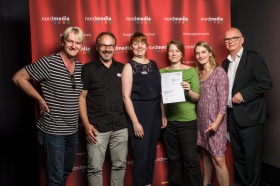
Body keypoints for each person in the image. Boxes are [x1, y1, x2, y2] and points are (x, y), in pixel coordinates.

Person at [12, 26, 85, 186]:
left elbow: (80, 97)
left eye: (77, 42)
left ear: (81, 46)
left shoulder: (80, 68)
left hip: (72, 132)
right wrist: (39, 98)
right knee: (55, 179)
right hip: (53, 132)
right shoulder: (49, 62)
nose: (74, 45)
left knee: (65, 172)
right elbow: (18, 78)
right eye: (70, 41)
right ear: (63, 41)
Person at [222, 27, 273, 186]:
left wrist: (244, 95)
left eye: (234, 38)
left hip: (251, 117)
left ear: (242, 40)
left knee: (252, 156)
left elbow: (266, 83)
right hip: (232, 116)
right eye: (227, 39)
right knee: (238, 156)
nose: (230, 41)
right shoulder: (225, 62)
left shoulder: (254, 58)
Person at [79, 32, 128, 186]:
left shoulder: (123, 68)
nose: (107, 49)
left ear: (115, 47)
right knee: (94, 169)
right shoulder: (87, 69)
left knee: (119, 166)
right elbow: (81, 98)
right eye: (103, 45)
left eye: (110, 45)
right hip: (97, 128)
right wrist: (86, 125)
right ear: (97, 47)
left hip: (120, 126)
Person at [121, 32, 167, 186]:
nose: (139, 46)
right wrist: (135, 122)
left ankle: (148, 183)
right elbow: (126, 97)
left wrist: (163, 114)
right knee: (141, 155)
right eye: (135, 43)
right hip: (139, 113)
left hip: (155, 112)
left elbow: (160, 92)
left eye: (142, 43)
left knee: (151, 153)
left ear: (147, 46)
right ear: (131, 47)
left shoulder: (153, 64)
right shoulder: (129, 66)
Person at [160, 40, 203, 186]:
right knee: (174, 160)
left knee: (190, 159)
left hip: (188, 122)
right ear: (167, 53)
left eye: (177, 51)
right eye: (171, 50)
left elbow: (196, 97)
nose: (174, 54)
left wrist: (188, 90)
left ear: (182, 54)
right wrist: (163, 115)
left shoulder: (190, 71)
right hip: (170, 124)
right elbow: (161, 99)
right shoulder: (162, 72)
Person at [194, 41, 230, 186]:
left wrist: (216, 123)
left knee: (219, 159)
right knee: (206, 155)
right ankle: (206, 183)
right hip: (201, 122)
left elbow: (223, 104)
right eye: (197, 53)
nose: (200, 55)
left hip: (216, 123)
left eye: (203, 52)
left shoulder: (219, 72)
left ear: (210, 53)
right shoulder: (198, 73)